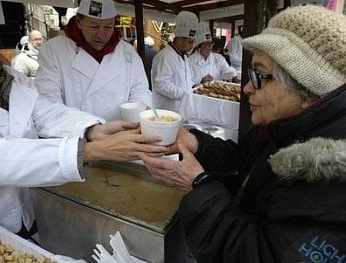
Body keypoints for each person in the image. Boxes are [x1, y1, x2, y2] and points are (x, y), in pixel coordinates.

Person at [0, 7, 168, 238]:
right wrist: (89, 151)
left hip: (34, 207)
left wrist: (93, 130)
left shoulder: (12, 81)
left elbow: (45, 113)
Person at [140, 5, 346, 262]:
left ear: (308, 89)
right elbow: (243, 160)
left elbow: (258, 255)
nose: (247, 87)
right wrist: (196, 142)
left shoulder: (332, 181)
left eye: (260, 76)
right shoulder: (280, 128)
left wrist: (199, 185)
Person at [34, 0, 151, 121]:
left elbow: (140, 90)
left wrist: (138, 110)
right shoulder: (54, 50)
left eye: (108, 27)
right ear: (79, 22)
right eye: (94, 26)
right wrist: (88, 129)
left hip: (124, 131)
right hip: (77, 134)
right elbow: (48, 102)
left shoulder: (128, 52)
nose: (101, 34)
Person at [151, 11, 199, 112]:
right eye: (190, 42)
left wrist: (195, 86)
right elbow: (160, 84)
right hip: (166, 111)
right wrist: (184, 94)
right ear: (180, 40)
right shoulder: (165, 56)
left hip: (181, 110)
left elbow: (185, 80)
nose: (192, 46)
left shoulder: (183, 56)